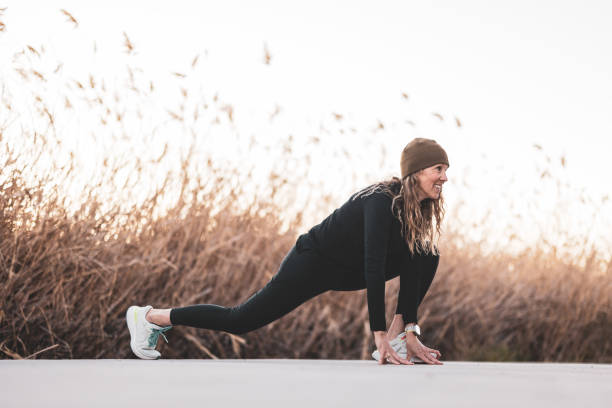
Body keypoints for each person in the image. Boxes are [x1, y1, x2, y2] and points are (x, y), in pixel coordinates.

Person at [126, 138, 448, 365]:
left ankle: (400, 337)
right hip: (312, 262)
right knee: (241, 319)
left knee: (426, 252)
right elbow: (374, 265)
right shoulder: (381, 200)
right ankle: (151, 317)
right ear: (417, 172)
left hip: (347, 269)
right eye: (438, 169)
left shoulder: (415, 212)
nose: (444, 177)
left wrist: (409, 329)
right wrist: (375, 334)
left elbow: (408, 264)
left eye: (445, 170)